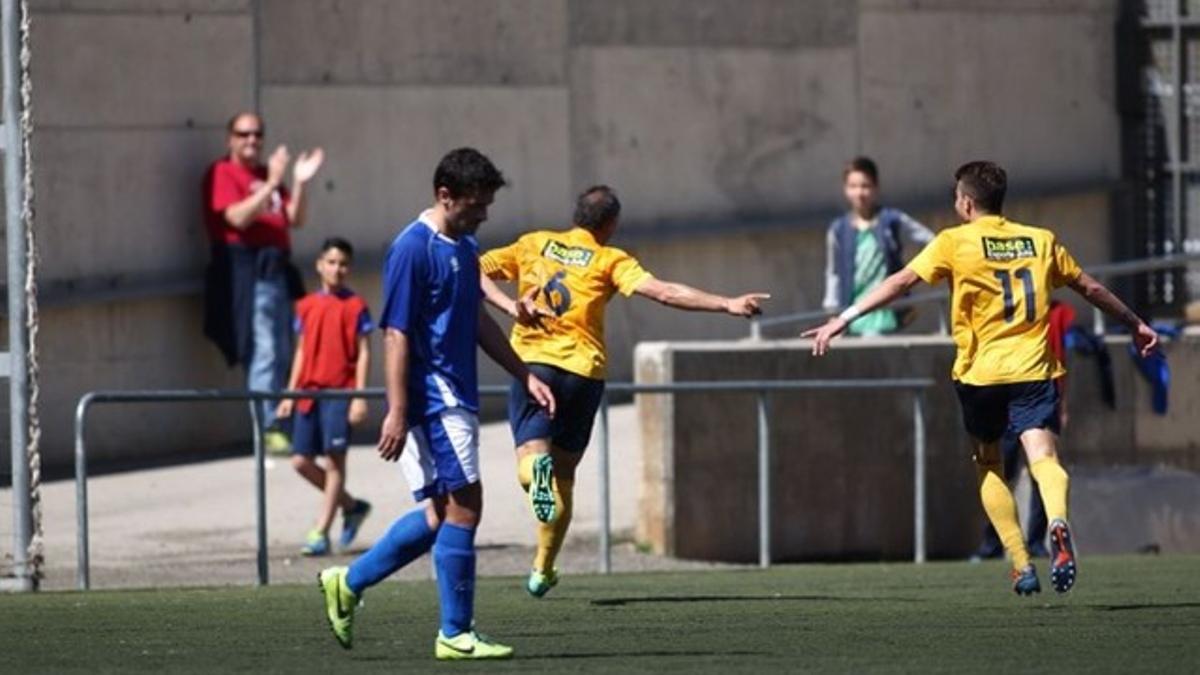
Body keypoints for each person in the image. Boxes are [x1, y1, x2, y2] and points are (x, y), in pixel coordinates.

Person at [804, 161, 1159, 596]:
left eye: (957, 197)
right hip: (1033, 368)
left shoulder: (954, 242)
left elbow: (901, 281)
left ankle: (1020, 561)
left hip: (981, 374)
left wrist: (844, 317)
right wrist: (1134, 322)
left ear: (966, 203)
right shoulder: (1040, 240)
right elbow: (1091, 288)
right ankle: (1059, 522)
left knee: (989, 465)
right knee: (1044, 458)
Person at [317, 148, 556, 661]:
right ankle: (455, 632)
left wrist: (524, 373)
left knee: (438, 515)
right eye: (477, 205)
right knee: (467, 505)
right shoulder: (412, 248)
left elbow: (477, 321)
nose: (485, 214)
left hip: (454, 394)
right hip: (433, 397)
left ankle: (348, 582)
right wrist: (398, 410)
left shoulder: (464, 246)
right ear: (445, 196)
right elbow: (396, 333)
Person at [478, 185, 770, 598]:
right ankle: (543, 568)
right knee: (564, 475)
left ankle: (534, 480)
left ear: (577, 214)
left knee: (532, 459)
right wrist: (726, 303)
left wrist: (511, 306)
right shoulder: (610, 259)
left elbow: (472, 267)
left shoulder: (533, 243)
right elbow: (664, 292)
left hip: (535, 365)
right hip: (584, 375)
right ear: (611, 224)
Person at [202, 112, 325, 453]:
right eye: (243, 134)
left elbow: (294, 219)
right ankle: (268, 427)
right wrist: (272, 182)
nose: (252, 140)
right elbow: (236, 218)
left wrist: (298, 181)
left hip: (277, 271)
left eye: (257, 134)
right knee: (264, 353)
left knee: (285, 352)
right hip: (246, 272)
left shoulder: (265, 175)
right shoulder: (223, 173)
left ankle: (282, 425)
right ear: (230, 138)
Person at [275, 238, 373, 556]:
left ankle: (320, 531)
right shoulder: (305, 306)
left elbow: (363, 352)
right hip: (308, 393)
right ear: (319, 265)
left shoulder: (356, 306)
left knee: (334, 461)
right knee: (301, 461)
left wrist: (358, 396)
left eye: (343, 263)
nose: (337, 269)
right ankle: (351, 506)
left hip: (340, 393)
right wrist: (290, 392)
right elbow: (302, 351)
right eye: (331, 262)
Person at [972, 300, 1075, 561]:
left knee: (996, 471)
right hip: (1036, 398)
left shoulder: (1050, 313)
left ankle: (1015, 548)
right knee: (1043, 466)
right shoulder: (1043, 311)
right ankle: (1041, 536)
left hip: (1015, 398)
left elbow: (1063, 358)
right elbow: (1062, 362)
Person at [822, 156, 934, 335]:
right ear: (845, 189)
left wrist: (914, 275)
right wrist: (832, 311)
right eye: (853, 186)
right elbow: (833, 273)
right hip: (854, 315)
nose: (859, 192)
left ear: (876, 187)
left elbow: (932, 241)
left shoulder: (892, 221)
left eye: (865, 186)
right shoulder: (838, 229)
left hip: (889, 313)